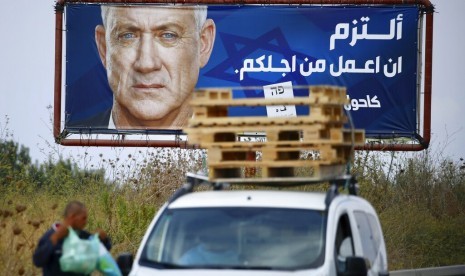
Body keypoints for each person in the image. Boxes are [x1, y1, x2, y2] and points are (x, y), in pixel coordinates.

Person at [89, 4, 216, 130]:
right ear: (104, 48)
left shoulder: (233, 148)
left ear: (203, 44)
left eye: (169, 35)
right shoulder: (71, 139)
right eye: (127, 35)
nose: (146, 64)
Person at [33, 201, 112, 275]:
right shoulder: (50, 236)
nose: (86, 222)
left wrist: (104, 239)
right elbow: (37, 261)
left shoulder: (83, 236)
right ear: (72, 217)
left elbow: (103, 251)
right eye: (83, 218)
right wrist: (54, 239)